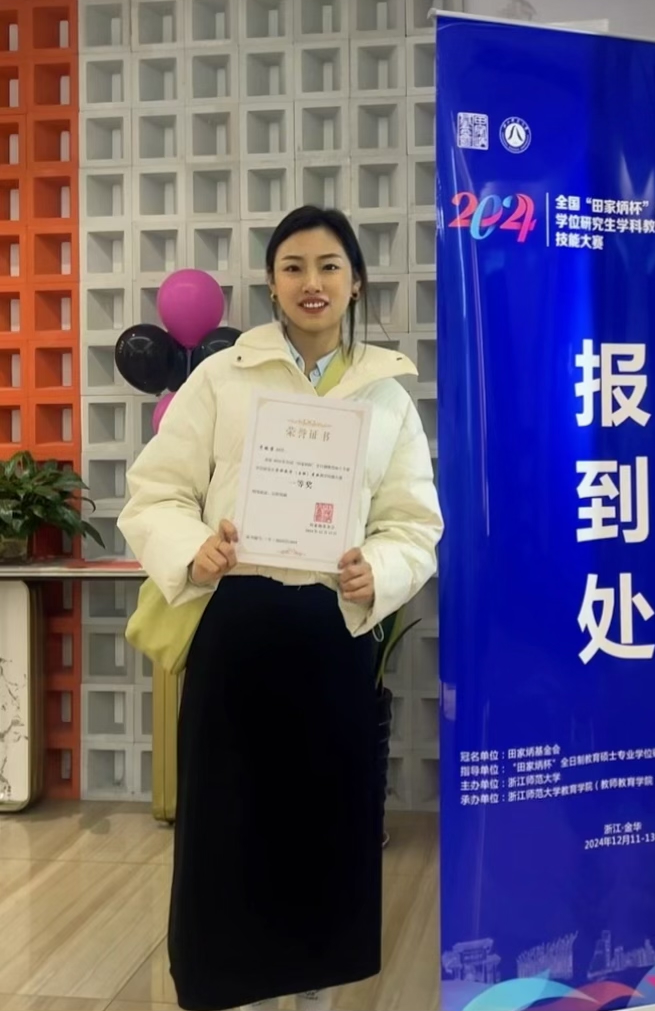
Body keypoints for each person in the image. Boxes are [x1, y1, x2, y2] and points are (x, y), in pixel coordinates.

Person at [117, 205, 443, 1011]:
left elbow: (414, 522)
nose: (312, 282)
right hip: (238, 629)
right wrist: (196, 547)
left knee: (324, 827)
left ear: (356, 281)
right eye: (294, 266)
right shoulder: (222, 379)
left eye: (330, 265)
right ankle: (236, 989)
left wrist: (380, 568)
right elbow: (156, 492)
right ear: (271, 283)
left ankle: (316, 995)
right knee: (230, 825)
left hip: (332, 635)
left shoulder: (386, 397)